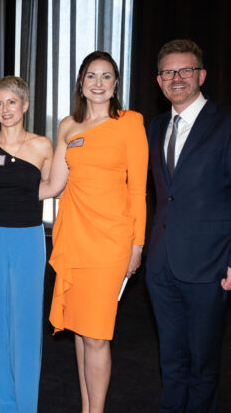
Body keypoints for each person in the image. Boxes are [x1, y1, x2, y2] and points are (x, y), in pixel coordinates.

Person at [40, 51, 148, 412]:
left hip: (111, 242)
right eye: (91, 76)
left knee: (97, 334)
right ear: (81, 84)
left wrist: (137, 246)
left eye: (106, 76)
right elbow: (53, 184)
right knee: (80, 326)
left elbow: (138, 190)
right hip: (74, 236)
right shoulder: (68, 126)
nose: (98, 83)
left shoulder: (130, 122)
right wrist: (1, 187)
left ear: (115, 84)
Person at [146, 39, 231, 413]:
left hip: (210, 265)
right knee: (171, 360)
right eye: (168, 72)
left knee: (203, 364)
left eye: (185, 70)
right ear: (159, 80)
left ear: (202, 75)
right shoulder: (156, 126)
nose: (176, 78)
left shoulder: (225, 123)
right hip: (161, 264)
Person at [0, 76, 52, 412]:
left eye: (12, 102)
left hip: (28, 238)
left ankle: (24, 404)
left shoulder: (43, 146)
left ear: (25, 105)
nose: (5, 109)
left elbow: (53, 187)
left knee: (26, 320)